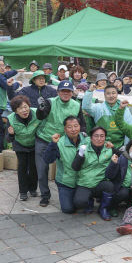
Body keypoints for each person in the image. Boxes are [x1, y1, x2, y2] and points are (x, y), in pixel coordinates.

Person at [33, 79, 82, 207]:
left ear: (72, 93)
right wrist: (40, 108)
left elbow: (81, 124)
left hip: (64, 141)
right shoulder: (50, 102)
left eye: (68, 91)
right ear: (58, 92)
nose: (65, 93)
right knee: (42, 169)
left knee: (69, 166)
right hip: (45, 139)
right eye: (62, 91)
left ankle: (69, 190)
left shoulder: (76, 105)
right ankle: (45, 195)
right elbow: (40, 116)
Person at [71, 127, 116, 220]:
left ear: (105, 138)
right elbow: (75, 167)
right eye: (96, 136)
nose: (99, 139)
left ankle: (103, 209)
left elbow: (122, 154)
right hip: (85, 183)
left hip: (100, 182)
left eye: (102, 136)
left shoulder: (109, 149)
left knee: (110, 186)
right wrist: (80, 155)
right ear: (91, 138)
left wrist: (114, 148)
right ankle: (89, 201)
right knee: (79, 202)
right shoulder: (84, 149)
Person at [43, 116, 85, 214]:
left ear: (80, 126)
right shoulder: (59, 143)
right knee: (68, 209)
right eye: (69, 127)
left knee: (83, 203)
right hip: (66, 183)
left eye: (76, 126)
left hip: (83, 182)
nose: (73, 129)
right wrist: (52, 144)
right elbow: (47, 159)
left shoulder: (86, 140)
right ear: (65, 129)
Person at [6, 95, 41, 201]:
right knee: (22, 168)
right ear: (15, 111)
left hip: (34, 144)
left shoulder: (36, 113)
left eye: (26, 107)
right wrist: (11, 134)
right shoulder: (11, 119)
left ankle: (33, 189)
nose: (24, 110)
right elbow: (8, 139)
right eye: (20, 108)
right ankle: (23, 191)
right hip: (20, 145)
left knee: (34, 167)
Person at [82, 83, 130, 150]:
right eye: (108, 93)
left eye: (113, 93)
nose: (111, 96)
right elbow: (85, 107)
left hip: (119, 147)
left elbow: (128, 130)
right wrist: (90, 91)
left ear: (117, 94)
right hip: (101, 146)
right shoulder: (99, 108)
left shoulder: (125, 109)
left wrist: (126, 145)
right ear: (104, 95)